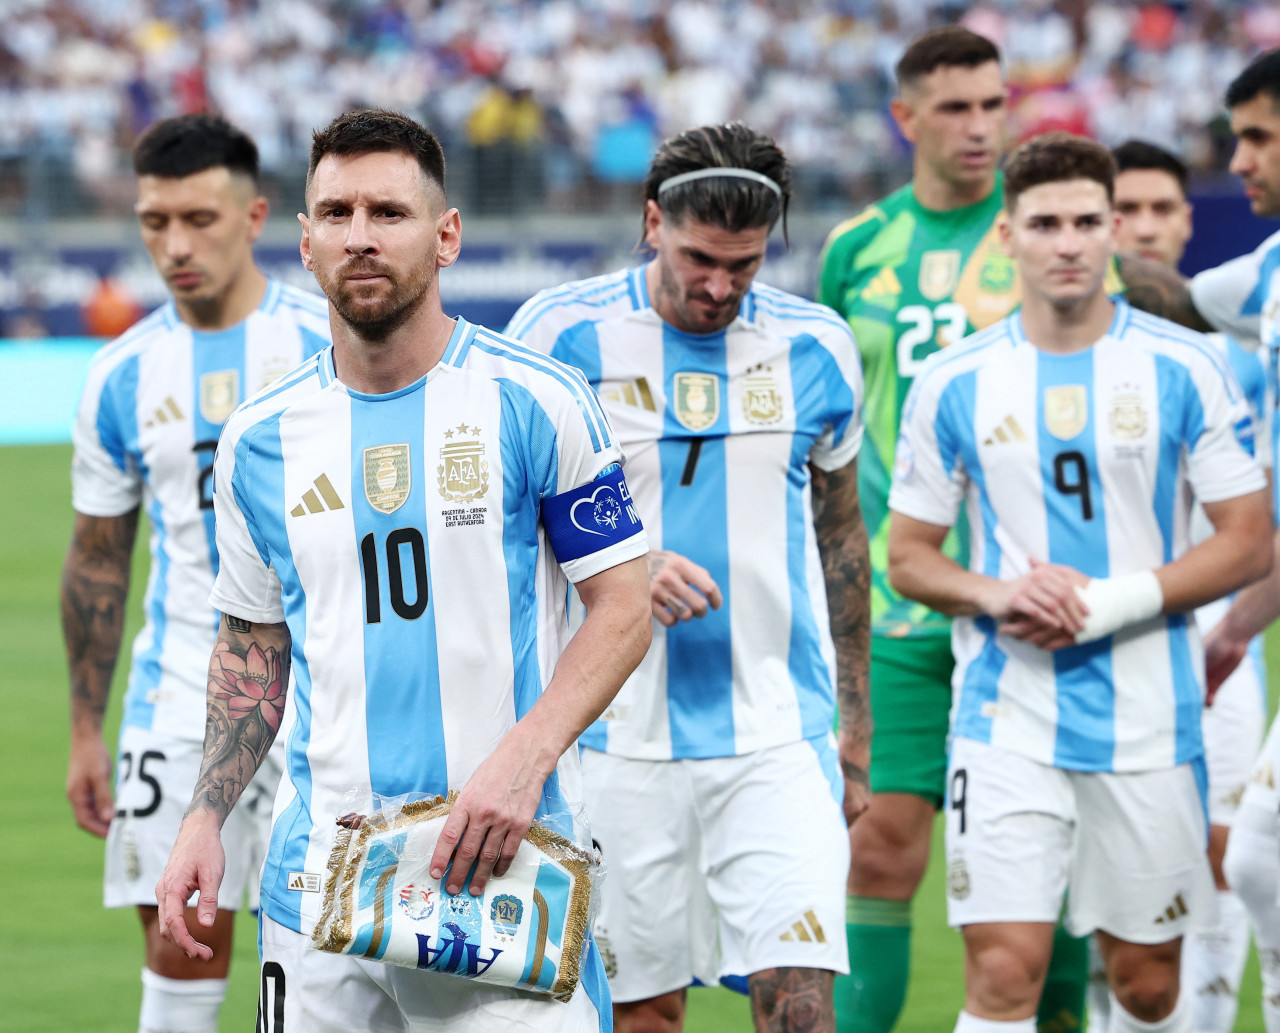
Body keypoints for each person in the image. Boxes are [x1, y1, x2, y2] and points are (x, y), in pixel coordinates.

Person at [154, 108, 652, 1033]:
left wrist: (525, 759)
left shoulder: (535, 400)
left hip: (503, 869)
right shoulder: (260, 440)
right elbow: (252, 645)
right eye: (336, 213)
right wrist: (203, 817)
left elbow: (625, 605)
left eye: (388, 211)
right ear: (304, 242)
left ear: (446, 234)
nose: (360, 236)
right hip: (319, 886)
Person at [889, 132, 1273, 1033]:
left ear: (1112, 233)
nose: (1067, 242)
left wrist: (1104, 604)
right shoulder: (952, 382)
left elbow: (1249, 542)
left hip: (1150, 719)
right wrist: (998, 595)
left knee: (1146, 986)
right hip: (1004, 717)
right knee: (1002, 971)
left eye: (1085, 222)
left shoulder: (1189, 367)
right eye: (1046, 223)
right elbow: (910, 554)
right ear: (1008, 238)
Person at [507, 121, 867, 1033]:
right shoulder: (558, 333)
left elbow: (842, 539)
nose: (720, 286)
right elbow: (499, 530)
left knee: (801, 1009)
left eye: (744, 265)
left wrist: (855, 728)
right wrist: (628, 563)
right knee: (645, 1014)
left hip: (779, 734)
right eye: (702, 257)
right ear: (651, 221)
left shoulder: (818, 347)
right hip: (611, 739)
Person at [817, 28, 1094, 1033]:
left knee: (1047, 873)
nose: (980, 126)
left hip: (1030, 599)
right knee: (879, 844)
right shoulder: (856, 249)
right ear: (905, 119)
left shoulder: (1034, 235)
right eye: (955, 108)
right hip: (896, 598)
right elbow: (828, 421)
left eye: (992, 103)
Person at [62, 113, 331, 1033]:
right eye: (154, 221)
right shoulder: (121, 374)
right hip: (177, 695)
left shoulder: (326, 346)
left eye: (200, 219)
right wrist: (85, 732)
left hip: (326, 698)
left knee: (317, 963)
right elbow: (98, 559)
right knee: (181, 948)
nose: (175, 245)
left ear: (255, 216)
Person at [1102, 137, 1270, 1033]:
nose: (1145, 227)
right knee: (1107, 854)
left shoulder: (1237, 340)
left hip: (1214, 622)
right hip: (1098, 624)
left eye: (1166, 209)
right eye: (1123, 209)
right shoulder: (1056, 349)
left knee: (1225, 850)